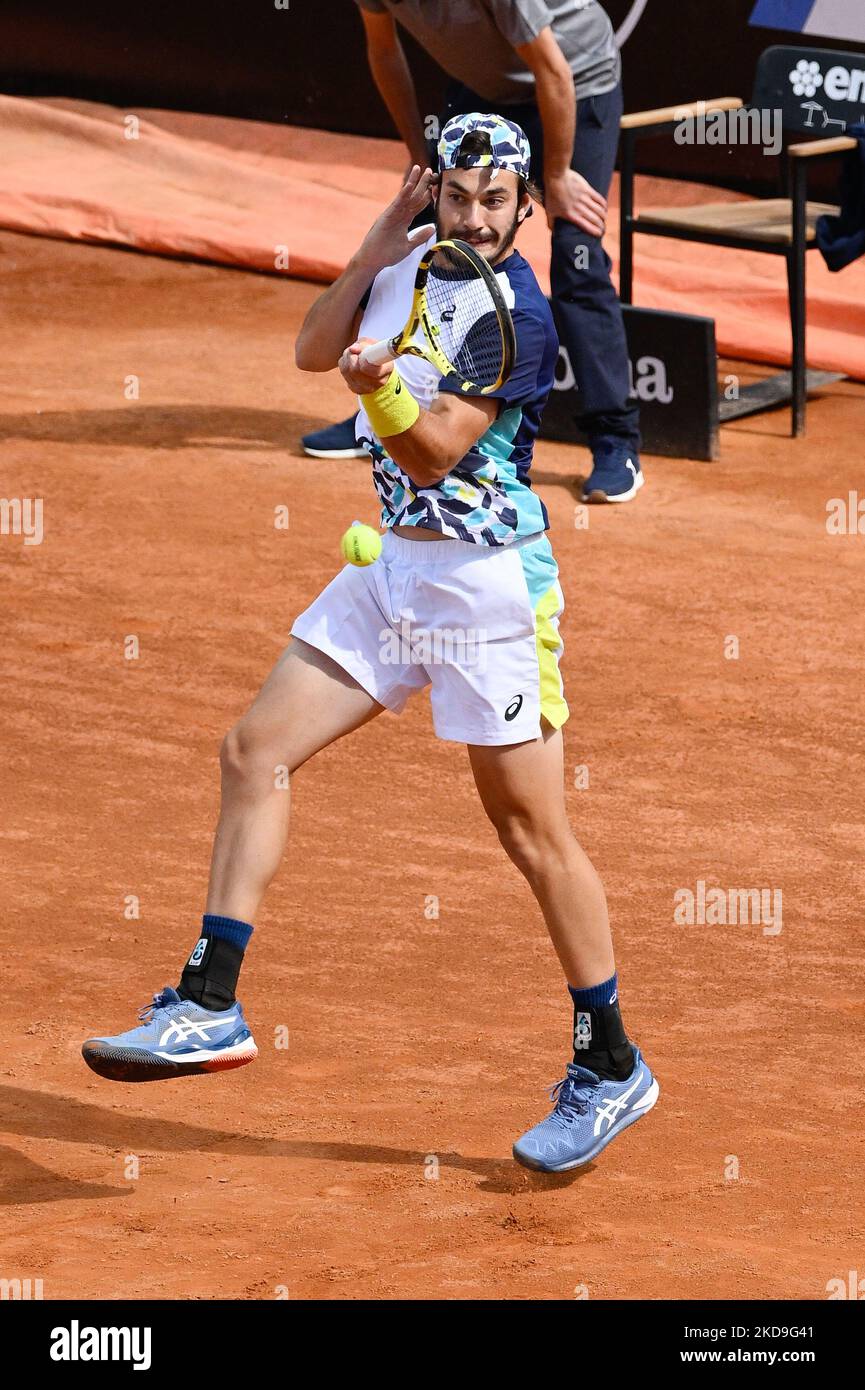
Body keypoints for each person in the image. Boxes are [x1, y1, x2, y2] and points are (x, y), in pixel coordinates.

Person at [81, 114, 657, 1172]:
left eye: (497, 200)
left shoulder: (515, 314)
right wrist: (375, 250)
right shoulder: (409, 263)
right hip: (390, 573)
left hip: (486, 593)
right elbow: (308, 347)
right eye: (457, 196)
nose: (477, 217)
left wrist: (377, 384)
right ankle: (211, 1000)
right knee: (255, 751)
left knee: (532, 835)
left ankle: (608, 1060)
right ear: (432, 193)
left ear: (526, 205)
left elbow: (435, 452)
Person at [302, 0, 643, 505]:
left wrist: (556, 178)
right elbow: (384, 52)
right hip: (487, 93)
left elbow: (553, 68)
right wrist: (420, 161)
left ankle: (615, 442)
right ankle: (387, 405)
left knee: (577, 250)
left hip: (573, 80)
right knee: (426, 231)